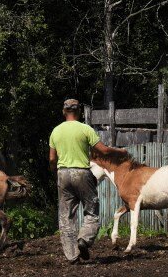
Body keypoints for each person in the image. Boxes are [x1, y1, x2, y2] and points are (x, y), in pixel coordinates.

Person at [48, 99, 117, 263]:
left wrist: (55, 172)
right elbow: (103, 150)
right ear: (79, 112)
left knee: (66, 217)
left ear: (64, 112)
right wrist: (119, 151)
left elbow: (52, 159)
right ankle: (84, 239)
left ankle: (72, 256)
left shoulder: (55, 131)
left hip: (63, 174)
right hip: (82, 173)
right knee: (91, 210)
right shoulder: (85, 129)